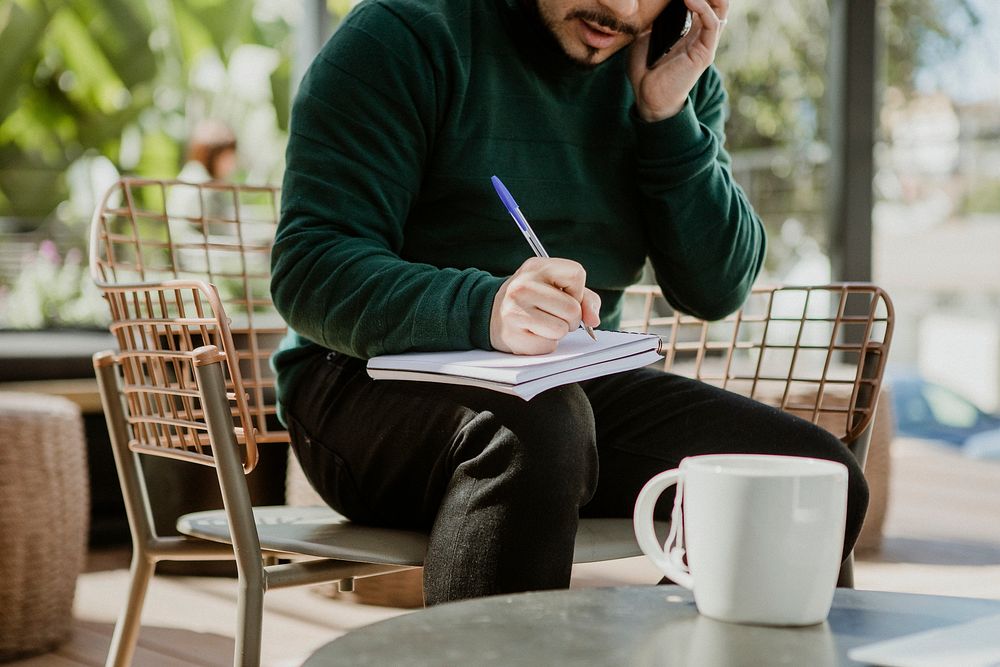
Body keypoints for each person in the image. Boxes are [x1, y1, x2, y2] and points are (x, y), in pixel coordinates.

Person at [270, 0, 869, 605]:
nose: (624, 9)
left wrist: (667, 119)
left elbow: (716, 288)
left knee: (815, 478)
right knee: (542, 428)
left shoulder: (673, 74)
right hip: (358, 382)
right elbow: (310, 267)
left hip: (570, 380)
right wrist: (486, 308)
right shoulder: (405, 33)